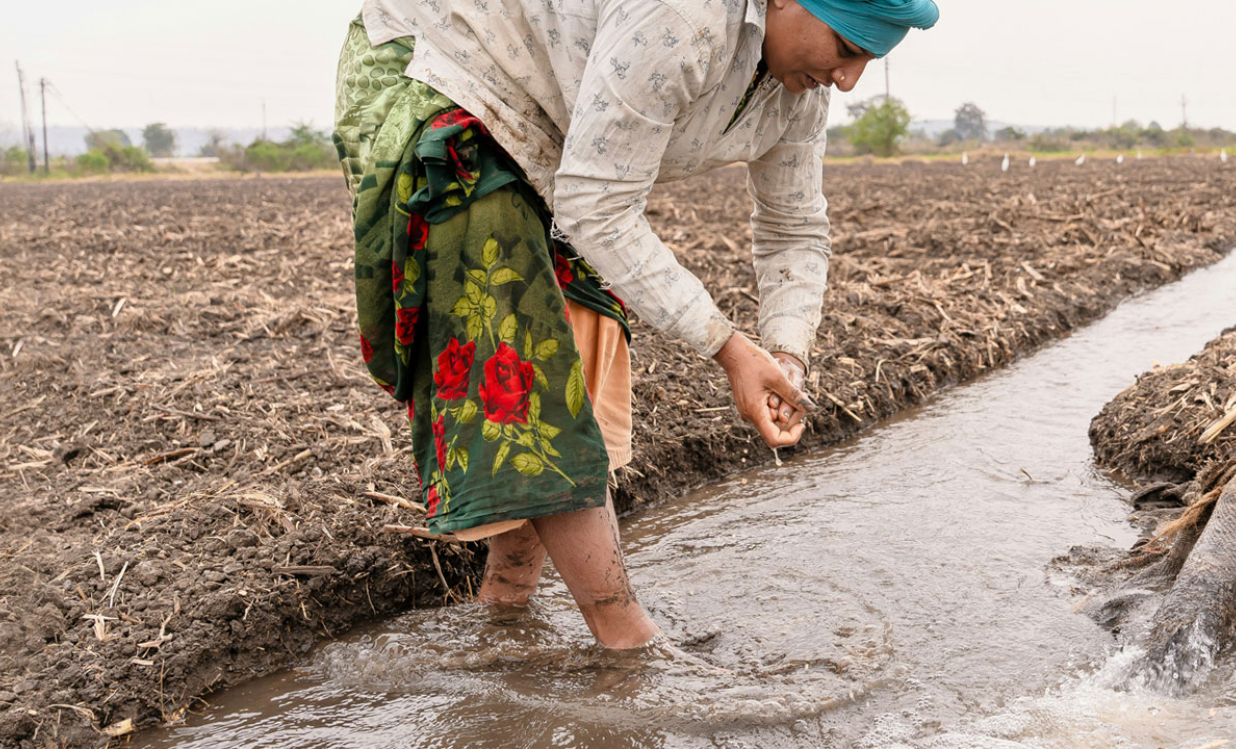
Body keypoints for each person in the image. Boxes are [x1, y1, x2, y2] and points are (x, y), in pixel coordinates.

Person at [333, 0, 938, 650]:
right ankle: (629, 648)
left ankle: (505, 610)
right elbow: (597, 204)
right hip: (439, 67)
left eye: (867, 63)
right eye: (847, 49)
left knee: (582, 341)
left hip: (546, 133)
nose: (849, 79)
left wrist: (786, 357)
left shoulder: (799, 93)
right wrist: (729, 348)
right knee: (533, 373)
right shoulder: (686, 17)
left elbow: (793, 224)